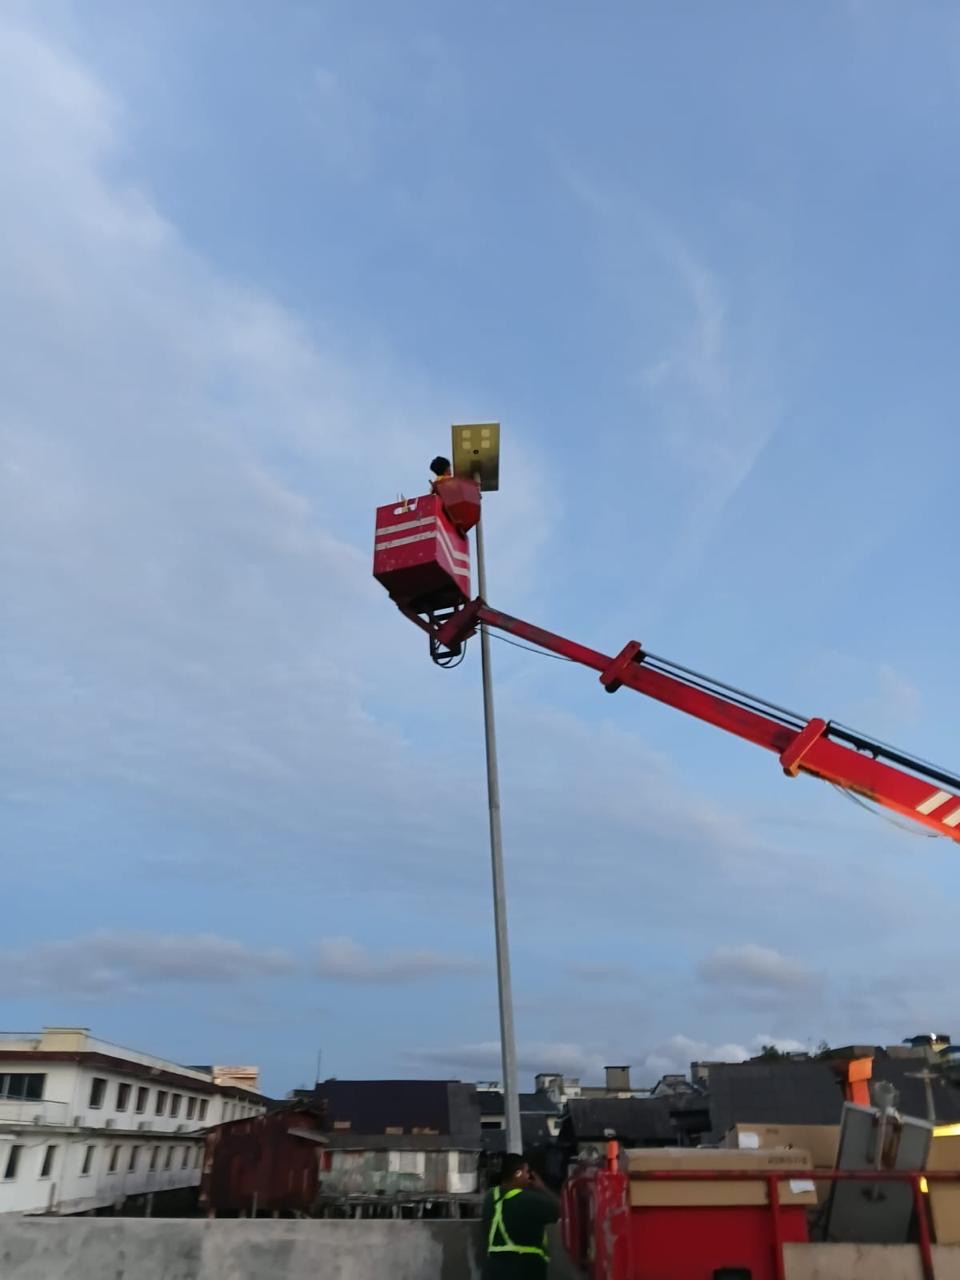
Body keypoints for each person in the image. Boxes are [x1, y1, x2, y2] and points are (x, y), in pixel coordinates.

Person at [481, 1153, 560, 1279]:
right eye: (527, 1172)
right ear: (518, 1173)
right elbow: (564, 1210)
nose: (529, 1176)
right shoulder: (531, 1200)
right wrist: (542, 1187)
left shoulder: (490, 1197)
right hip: (524, 1270)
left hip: (493, 1272)